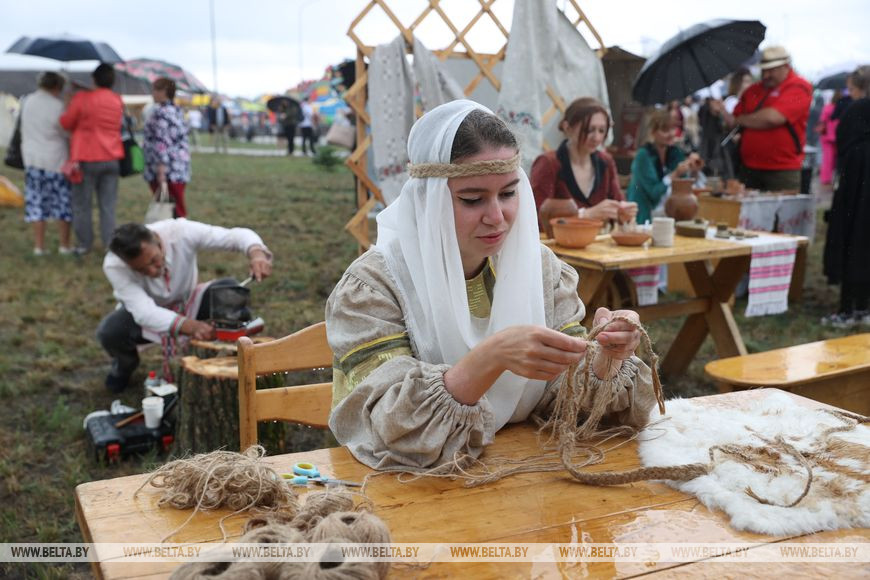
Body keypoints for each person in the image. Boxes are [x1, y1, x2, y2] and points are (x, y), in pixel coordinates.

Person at [326, 100, 657, 470]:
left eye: (509, 193)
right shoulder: (376, 286)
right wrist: (491, 357)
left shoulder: (540, 269)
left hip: (524, 473)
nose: (497, 217)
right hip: (407, 489)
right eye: (472, 199)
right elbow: (390, 429)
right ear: (428, 199)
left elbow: (563, 396)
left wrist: (604, 363)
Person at [97, 219, 273, 392]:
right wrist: (190, 326)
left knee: (229, 291)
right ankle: (125, 366)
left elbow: (233, 237)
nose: (151, 271)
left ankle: (233, 358)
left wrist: (256, 253)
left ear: (158, 241)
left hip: (188, 301)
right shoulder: (114, 264)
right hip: (148, 312)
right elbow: (144, 311)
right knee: (110, 332)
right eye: (141, 270)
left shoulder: (180, 232)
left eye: (153, 260)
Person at [711, 46, 813, 191]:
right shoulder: (753, 90)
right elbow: (732, 122)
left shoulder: (799, 87)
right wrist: (721, 110)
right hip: (748, 167)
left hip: (782, 169)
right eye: (764, 70)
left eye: (771, 70)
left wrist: (741, 119)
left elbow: (773, 118)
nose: (766, 75)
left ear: (785, 67)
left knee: (782, 205)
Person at [530, 97, 637, 226]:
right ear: (567, 127)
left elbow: (618, 203)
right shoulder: (549, 163)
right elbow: (535, 216)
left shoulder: (606, 162)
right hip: (558, 239)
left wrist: (624, 212)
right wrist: (584, 215)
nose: (596, 137)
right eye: (589, 130)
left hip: (598, 238)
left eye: (602, 131)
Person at [822, 66, 870, 328]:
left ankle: (848, 309)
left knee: (852, 240)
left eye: (851, 89)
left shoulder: (857, 110)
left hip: (856, 184)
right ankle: (863, 306)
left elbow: (843, 140)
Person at [59, 63, 123, 254]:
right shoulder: (116, 100)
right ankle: (110, 244)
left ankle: (84, 244)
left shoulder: (82, 98)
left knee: (82, 204)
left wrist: (69, 102)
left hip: (86, 157)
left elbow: (66, 122)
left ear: (94, 79)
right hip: (112, 157)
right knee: (108, 206)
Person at [20, 71, 73, 256]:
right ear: (57, 86)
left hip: (32, 160)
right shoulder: (58, 107)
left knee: (37, 205)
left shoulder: (26, 101)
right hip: (56, 161)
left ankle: (39, 246)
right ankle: (64, 245)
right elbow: (66, 131)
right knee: (62, 205)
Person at [627, 109, 704, 225]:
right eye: (665, 130)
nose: (671, 134)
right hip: (644, 217)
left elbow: (686, 188)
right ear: (653, 132)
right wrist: (675, 174)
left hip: (669, 216)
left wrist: (693, 171)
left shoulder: (675, 153)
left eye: (673, 129)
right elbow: (654, 192)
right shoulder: (643, 156)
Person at [143, 78, 191, 218]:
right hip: (179, 168)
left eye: (155, 90)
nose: (153, 93)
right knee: (177, 208)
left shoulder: (161, 113)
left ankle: (177, 231)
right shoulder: (177, 110)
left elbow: (162, 142)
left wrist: (161, 171)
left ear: (164, 91)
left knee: (169, 210)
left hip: (166, 170)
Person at [816, 90, 842, 186]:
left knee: (827, 159)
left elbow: (822, 120)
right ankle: (837, 177)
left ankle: (826, 178)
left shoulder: (827, 107)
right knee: (837, 159)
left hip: (827, 136)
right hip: (838, 135)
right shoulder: (842, 108)